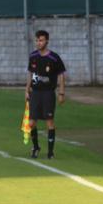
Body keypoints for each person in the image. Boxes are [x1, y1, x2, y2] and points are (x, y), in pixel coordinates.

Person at [25, 30, 66, 159]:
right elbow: (30, 74)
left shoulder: (54, 57)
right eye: (37, 40)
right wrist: (27, 89)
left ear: (47, 41)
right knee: (31, 123)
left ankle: (50, 152)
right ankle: (36, 147)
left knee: (49, 122)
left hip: (48, 93)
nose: (38, 43)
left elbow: (61, 75)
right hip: (35, 93)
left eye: (41, 40)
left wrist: (61, 93)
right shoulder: (33, 56)